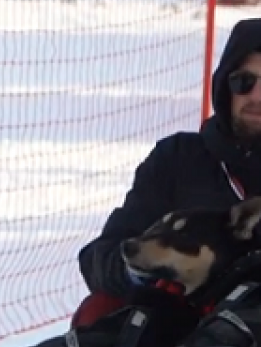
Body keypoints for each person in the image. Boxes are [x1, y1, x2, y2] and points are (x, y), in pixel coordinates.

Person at [74, 17, 261, 327]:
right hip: (179, 335)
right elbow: (101, 257)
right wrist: (148, 269)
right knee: (99, 310)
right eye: (244, 82)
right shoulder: (178, 159)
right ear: (225, 87)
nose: (255, 97)